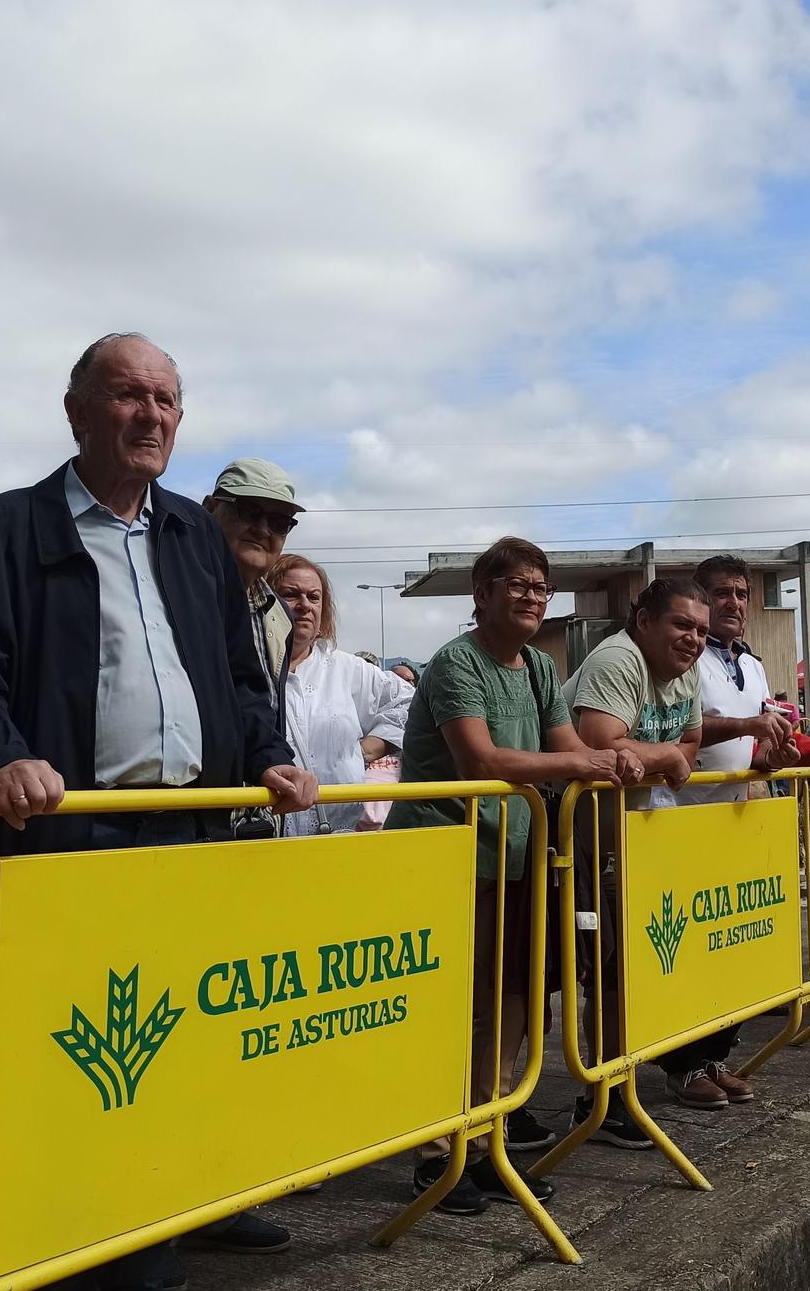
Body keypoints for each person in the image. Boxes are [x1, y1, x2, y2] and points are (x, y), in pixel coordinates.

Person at [0, 333, 317, 1291]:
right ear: (76, 408)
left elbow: (238, 676)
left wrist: (267, 753)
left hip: (188, 846)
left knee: (165, 1086)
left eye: (168, 398)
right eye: (128, 394)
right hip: (69, 850)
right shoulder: (7, 528)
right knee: (68, 1089)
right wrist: (1, 754)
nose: (151, 414)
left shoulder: (190, 535)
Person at [386, 538, 634, 1207]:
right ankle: (436, 1158)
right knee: (458, 1011)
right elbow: (483, 763)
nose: (531, 596)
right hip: (449, 860)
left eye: (539, 587)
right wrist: (586, 766)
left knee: (514, 1009)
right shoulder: (455, 664)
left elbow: (570, 747)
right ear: (483, 594)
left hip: (519, 860)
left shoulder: (538, 670)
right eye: (517, 584)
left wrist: (617, 760)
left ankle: (488, 1141)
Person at [564, 578, 713, 1107]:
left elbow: (690, 745)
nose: (694, 639)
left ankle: (618, 1085)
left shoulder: (686, 669)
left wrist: (659, 754)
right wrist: (666, 755)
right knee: (598, 969)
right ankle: (599, 1096)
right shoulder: (617, 661)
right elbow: (598, 741)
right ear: (644, 620)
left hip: (634, 838)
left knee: (636, 964)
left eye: (700, 630)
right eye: (682, 625)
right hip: (575, 841)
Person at [671, 556, 802, 1089]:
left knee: (733, 945)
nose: (735, 603)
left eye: (742, 593)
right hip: (685, 821)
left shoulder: (753, 663)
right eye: (722, 593)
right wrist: (751, 725)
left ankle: (716, 1057)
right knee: (694, 951)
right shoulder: (686, 658)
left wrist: (769, 756)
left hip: (739, 817)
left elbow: (756, 739)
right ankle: (683, 1066)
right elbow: (686, 726)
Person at [267, 553, 412, 836]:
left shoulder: (347, 669)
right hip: (267, 835)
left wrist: (373, 746)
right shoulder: (247, 666)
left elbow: (409, 702)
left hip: (338, 834)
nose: (304, 605)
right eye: (290, 594)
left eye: (314, 597)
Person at [203, 458, 305, 750]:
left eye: (279, 523)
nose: (263, 530)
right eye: (249, 511)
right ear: (210, 508)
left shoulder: (278, 613)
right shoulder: (173, 589)